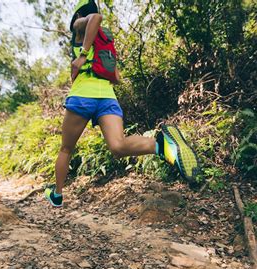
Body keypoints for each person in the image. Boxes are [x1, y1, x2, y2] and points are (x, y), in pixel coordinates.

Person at [45, 0, 199, 207]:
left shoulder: (79, 25)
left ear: (78, 13)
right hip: (107, 97)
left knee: (66, 149)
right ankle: (162, 145)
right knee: (118, 146)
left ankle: (57, 194)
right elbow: (116, 77)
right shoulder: (104, 39)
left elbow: (96, 18)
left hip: (83, 96)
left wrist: (82, 57)